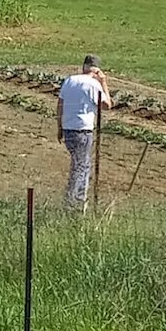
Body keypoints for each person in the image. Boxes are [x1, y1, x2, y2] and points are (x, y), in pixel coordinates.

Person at [57, 54, 112, 213]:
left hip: (68, 129)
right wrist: (104, 82)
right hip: (83, 130)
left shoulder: (70, 80)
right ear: (97, 70)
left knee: (81, 164)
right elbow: (107, 105)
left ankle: (79, 202)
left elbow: (60, 104)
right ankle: (72, 202)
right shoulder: (94, 84)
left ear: (84, 67)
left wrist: (59, 127)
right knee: (81, 167)